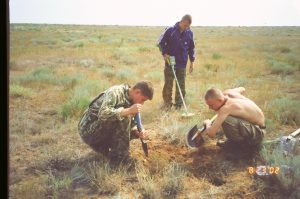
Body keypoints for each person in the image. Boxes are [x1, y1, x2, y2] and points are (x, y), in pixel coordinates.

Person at [78, 81, 154, 165]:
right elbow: (103, 114)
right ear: (137, 92)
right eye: (142, 99)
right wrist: (128, 111)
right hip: (88, 131)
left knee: (130, 127)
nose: (142, 103)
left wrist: (137, 131)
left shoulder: (132, 100)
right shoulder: (115, 92)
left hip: (101, 131)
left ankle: (105, 149)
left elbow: (131, 124)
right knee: (124, 117)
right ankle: (119, 159)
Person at [202, 87, 266, 159]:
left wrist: (207, 124)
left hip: (258, 133)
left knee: (226, 120)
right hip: (255, 126)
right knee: (226, 117)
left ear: (220, 100)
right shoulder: (228, 93)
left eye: (211, 105)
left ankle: (241, 149)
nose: (210, 108)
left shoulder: (226, 108)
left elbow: (211, 134)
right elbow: (242, 89)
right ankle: (233, 142)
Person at [157, 14, 195, 110]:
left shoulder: (189, 33)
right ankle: (167, 104)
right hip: (170, 62)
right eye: (185, 25)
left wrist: (192, 62)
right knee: (168, 84)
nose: (186, 28)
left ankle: (179, 105)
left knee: (181, 85)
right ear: (181, 21)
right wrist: (164, 53)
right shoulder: (170, 30)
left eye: (188, 26)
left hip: (182, 63)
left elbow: (191, 48)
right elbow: (160, 42)